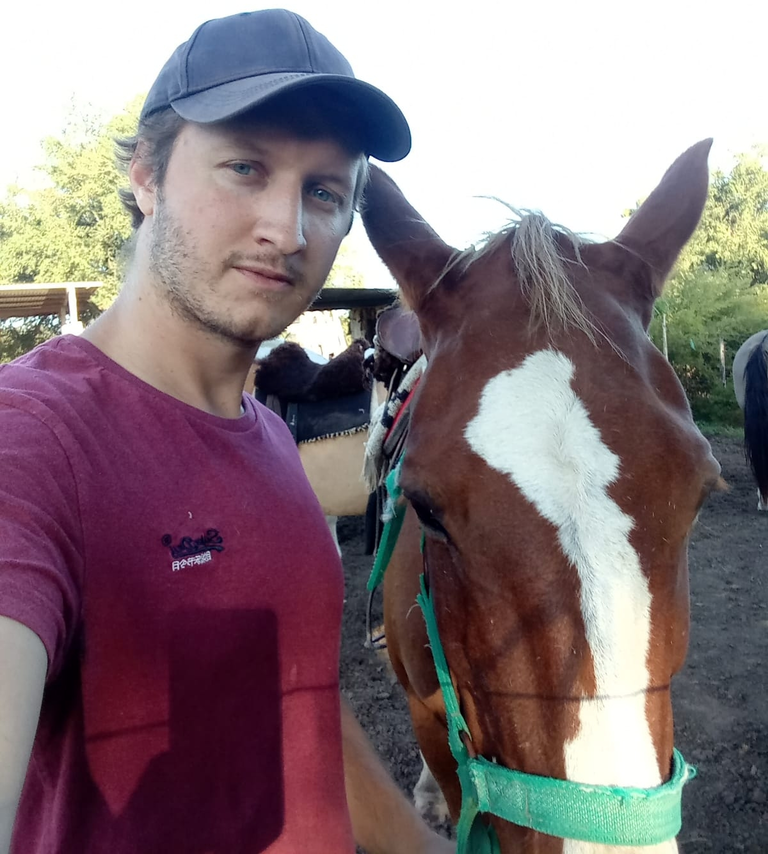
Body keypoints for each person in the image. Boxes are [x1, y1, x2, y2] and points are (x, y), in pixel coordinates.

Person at [0, 9, 454, 853]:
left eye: (325, 192)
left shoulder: (269, 441)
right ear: (145, 173)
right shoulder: (33, 440)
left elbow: (299, 701)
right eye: (246, 167)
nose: (287, 230)